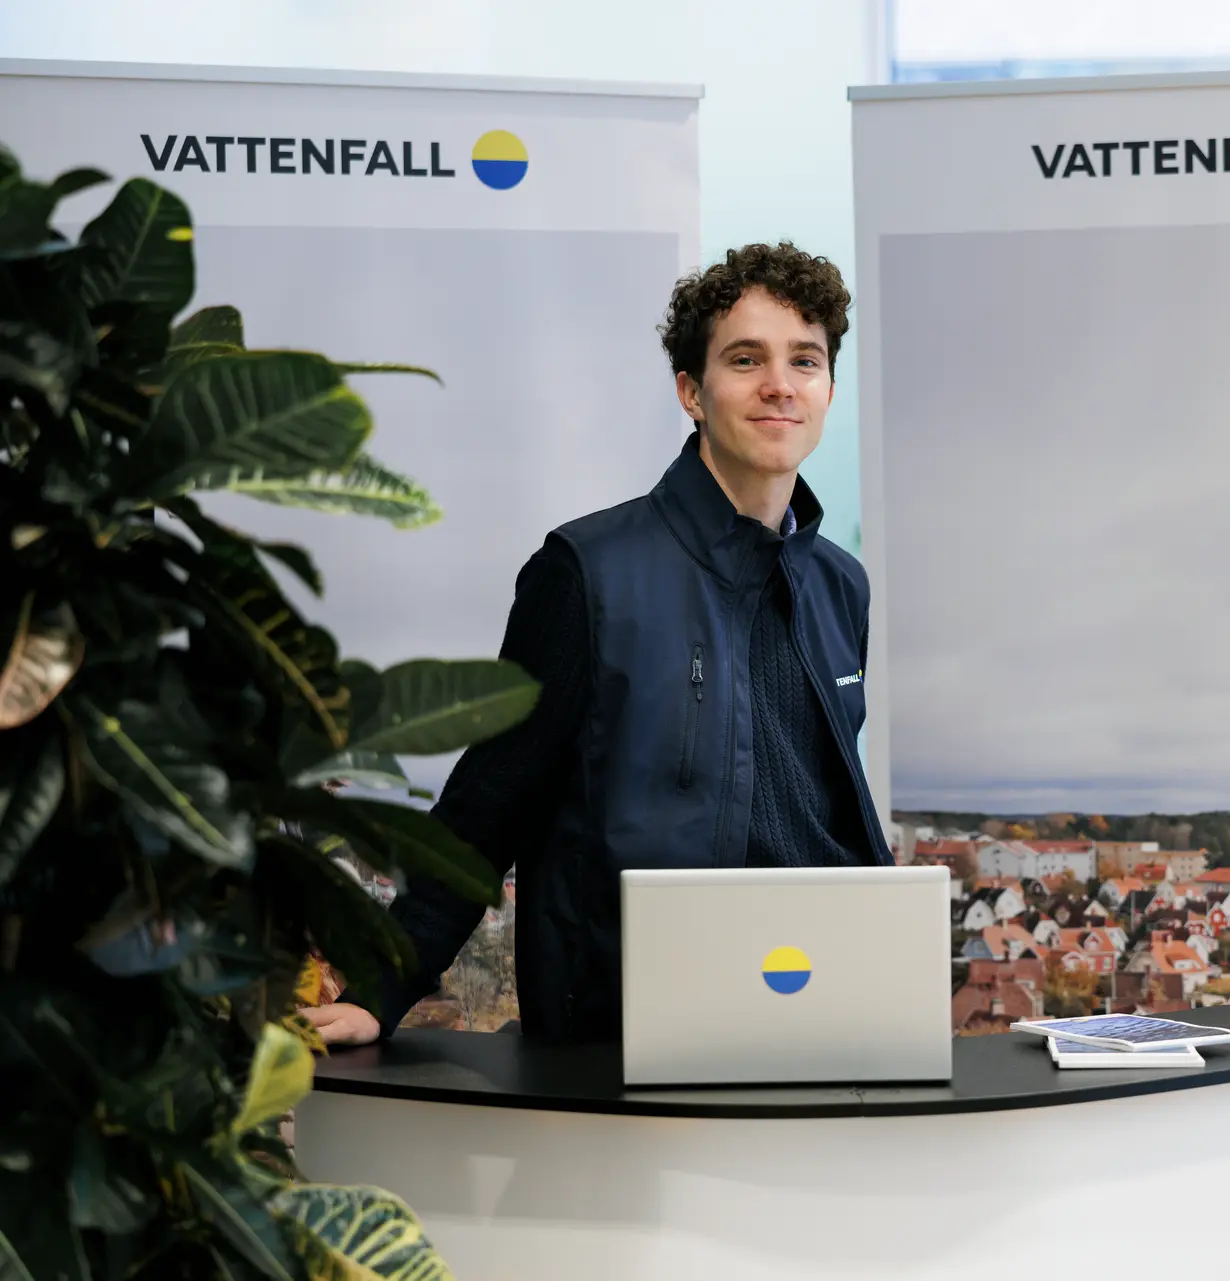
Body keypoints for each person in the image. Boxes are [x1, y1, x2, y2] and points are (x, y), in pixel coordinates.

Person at [302, 242, 891, 1045]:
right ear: (691, 390)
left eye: (805, 361)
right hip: (625, 1033)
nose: (780, 384)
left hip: (819, 1006)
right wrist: (382, 984)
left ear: (828, 390)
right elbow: (490, 798)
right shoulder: (587, 572)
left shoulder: (841, 585)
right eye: (746, 358)